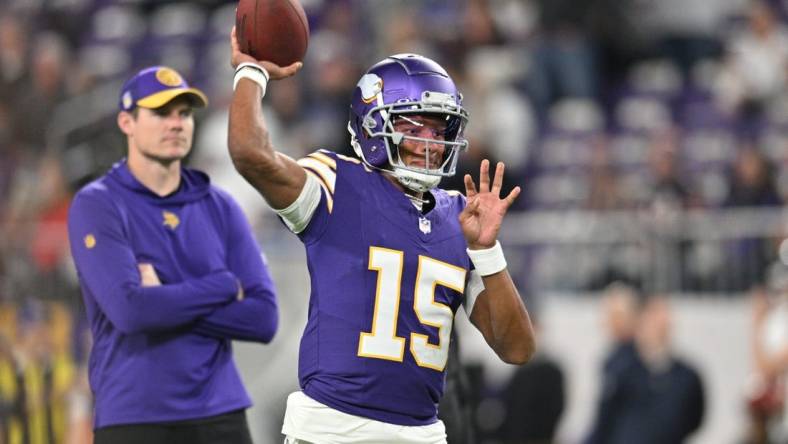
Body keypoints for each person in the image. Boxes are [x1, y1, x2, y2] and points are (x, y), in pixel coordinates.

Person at [227, 27, 536, 444]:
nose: (430, 142)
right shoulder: (336, 184)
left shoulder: (460, 216)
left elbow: (516, 348)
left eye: (439, 128)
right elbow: (250, 153)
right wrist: (251, 72)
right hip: (332, 430)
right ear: (373, 126)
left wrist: (487, 251)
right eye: (416, 126)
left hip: (423, 433)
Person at [67, 66, 279, 444]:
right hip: (135, 416)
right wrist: (223, 285)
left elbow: (263, 319)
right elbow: (130, 312)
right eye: (161, 113)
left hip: (221, 413)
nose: (176, 123)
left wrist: (163, 297)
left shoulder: (221, 206)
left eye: (184, 113)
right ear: (126, 122)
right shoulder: (97, 204)